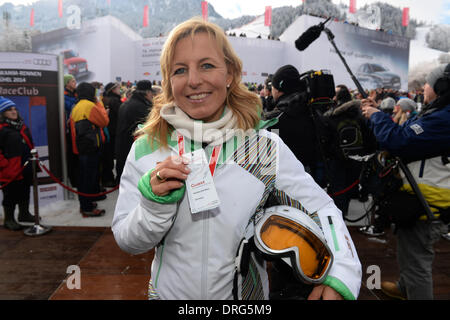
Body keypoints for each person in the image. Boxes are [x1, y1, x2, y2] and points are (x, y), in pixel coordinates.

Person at [112, 18, 361, 300]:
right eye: (180, 70)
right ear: (169, 81)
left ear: (229, 73)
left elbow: (323, 210)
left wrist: (342, 273)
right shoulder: (148, 147)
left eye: (206, 65)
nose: (194, 80)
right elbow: (127, 241)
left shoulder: (262, 147)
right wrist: (153, 205)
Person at [361, 63, 450, 300]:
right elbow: (408, 133)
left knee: (417, 263)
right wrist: (379, 114)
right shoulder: (439, 113)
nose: (424, 87)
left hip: (426, 205)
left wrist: (378, 116)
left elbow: (400, 141)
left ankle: (414, 289)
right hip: (422, 201)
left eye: (429, 83)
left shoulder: (444, 117)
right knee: (409, 255)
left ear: (442, 86)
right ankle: (405, 288)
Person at [69, 82, 109, 217]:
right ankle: (87, 207)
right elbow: (104, 121)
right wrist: (98, 103)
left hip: (82, 147)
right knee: (88, 178)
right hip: (90, 147)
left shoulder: (77, 106)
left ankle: (87, 203)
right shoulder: (89, 105)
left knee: (84, 177)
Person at [0, 97, 35, 230]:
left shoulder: (22, 126)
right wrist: (4, 164)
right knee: (10, 194)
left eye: (15, 109)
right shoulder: (2, 129)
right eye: (9, 110)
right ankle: (9, 219)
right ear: (2, 113)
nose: (13, 112)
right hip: (10, 169)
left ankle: (24, 214)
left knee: (25, 190)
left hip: (25, 166)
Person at [115, 80, 156, 181]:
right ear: (147, 93)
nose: (152, 96)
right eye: (151, 93)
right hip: (132, 147)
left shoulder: (127, 103)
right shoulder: (140, 106)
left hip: (123, 145)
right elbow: (150, 126)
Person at [101, 82, 122, 187]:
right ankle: (108, 179)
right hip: (113, 132)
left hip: (107, 131)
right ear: (113, 90)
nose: (120, 90)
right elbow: (121, 115)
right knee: (109, 157)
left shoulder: (105, 99)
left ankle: (107, 178)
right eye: (118, 88)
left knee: (107, 157)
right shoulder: (115, 101)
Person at [64, 74, 79, 187]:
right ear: (67, 83)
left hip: (76, 128)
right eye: (73, 81)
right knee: (71, 156)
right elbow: (69, 108)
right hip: (68, 129)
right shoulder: (64, 96)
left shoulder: (75, 94)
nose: (75, 83)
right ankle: (73, 179)